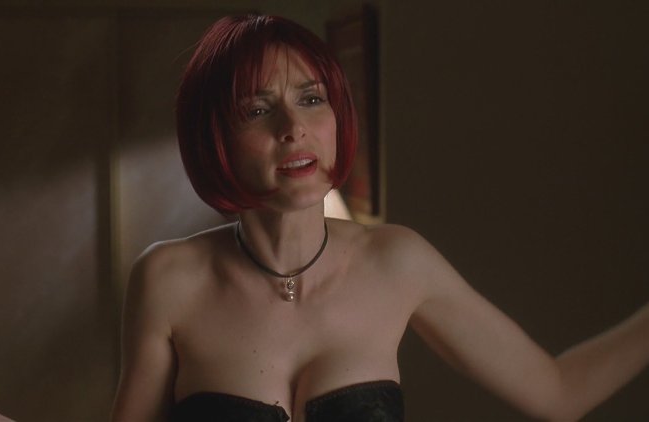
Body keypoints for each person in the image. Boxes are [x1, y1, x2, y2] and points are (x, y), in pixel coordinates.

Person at [110, 14, 649, 422]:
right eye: (257, 109)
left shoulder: (398, 261)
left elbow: (557, 392)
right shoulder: (168, 279)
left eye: (311, 99)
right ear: (215, 139)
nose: (293, 128)